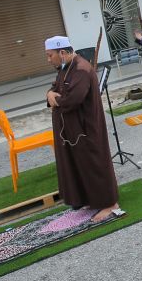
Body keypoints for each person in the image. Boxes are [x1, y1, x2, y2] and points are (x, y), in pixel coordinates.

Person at [45, 36, 119, 223]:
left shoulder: (81, 69)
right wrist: (50, 94)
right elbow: (55, 88)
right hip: (72, 130)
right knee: (80, 165)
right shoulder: (65, 67)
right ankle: (92, 199)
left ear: (62, 53)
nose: (48, 59)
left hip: (86, 128)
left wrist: (55, 98)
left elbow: (73, 99)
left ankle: (110, 203)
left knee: (94, 165)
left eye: (49, 55)